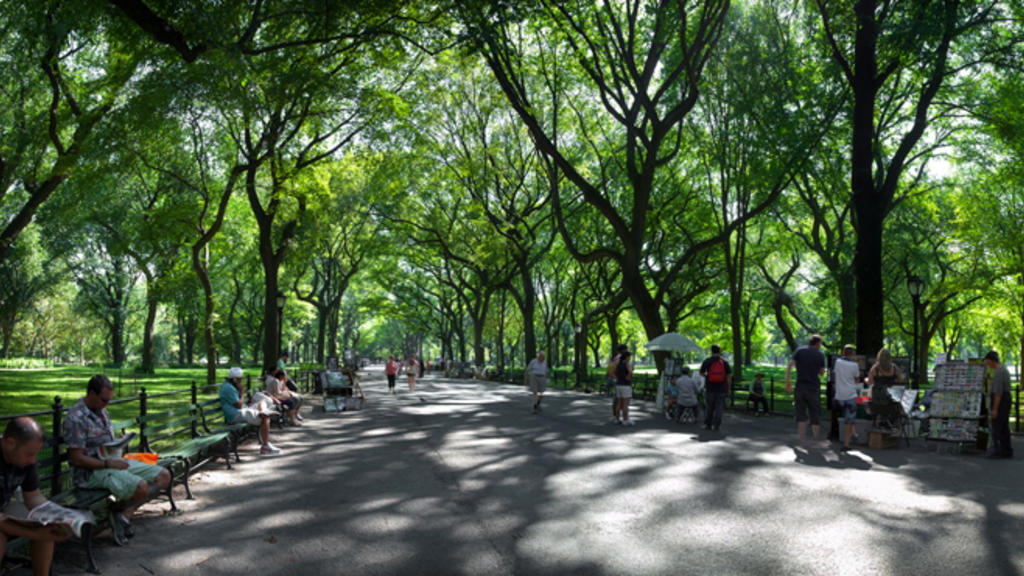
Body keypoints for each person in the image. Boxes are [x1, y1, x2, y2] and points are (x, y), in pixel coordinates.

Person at [65, 375, 172, 543]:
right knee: (141, 486)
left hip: (111, 462)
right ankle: (119, 516)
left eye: (109, 401)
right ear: (91, 393)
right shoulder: (76, 417)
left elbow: (103, 443)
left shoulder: (101, 410)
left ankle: (121, 516)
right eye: (104, 400)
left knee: (164, 475)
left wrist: (119, 443)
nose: (107, 404)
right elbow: (77, 459)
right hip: (92, 473)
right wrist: (108, 463)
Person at [0, 418, 68, 576]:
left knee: (46, 525)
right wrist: (34, 534)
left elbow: (33, 496)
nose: (33, 460)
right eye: (30, 454)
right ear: (10, 443)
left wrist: (57, 514)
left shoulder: (23, 459)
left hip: (4, 508)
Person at [219, 367, 281, 455]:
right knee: (266, 417)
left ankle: (263, 411)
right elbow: (239, 405)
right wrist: (242, 391)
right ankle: (265, 446)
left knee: (262, 402)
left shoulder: (229, 386)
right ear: (235, 379)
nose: (241, 380)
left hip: (241, 410)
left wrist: (239, 391)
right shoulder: (228, 388)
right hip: (236, 414)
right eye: (240, 378)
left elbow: (238, 403)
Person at [785, 335, 827, 442]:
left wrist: (788, 382)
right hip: (813, 388)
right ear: (817, 343)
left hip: (800, 386)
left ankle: (802, 438)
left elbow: (789, 365)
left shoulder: (799, 351)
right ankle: (815, 438)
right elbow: (822, 373)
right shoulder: (820, 355)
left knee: (800, 413)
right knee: (815, 413)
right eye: (820, 344)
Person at [832, 345, 862, 452]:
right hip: (850, 395)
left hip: (839, 395)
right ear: (852, 354)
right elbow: (857, 379)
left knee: (846, 416)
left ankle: (853, 432)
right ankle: (846, 444)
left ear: (843, 352)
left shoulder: (838, 362)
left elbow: (835, 375)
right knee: (849, 419)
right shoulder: (854, 365)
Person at [985, 351, 1013, 459]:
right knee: (1004, 426)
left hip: (1001, 402)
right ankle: (1006, 450)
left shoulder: (999, 372)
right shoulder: (1003, 369)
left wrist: (995, 409)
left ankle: (998, 450)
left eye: (988, 362)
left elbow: (998, 393)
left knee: (997, 426)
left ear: (992, 361)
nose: (988, 365)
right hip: (1005, 400)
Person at [699, 345, 731, 431]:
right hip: (721, 388)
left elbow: (701, 373)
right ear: (720, 351)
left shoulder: (707, 361)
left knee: (709, 407)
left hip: (710, 387)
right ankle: (717, 425)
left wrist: (708, 377)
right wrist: (728, 389)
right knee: (719, 408)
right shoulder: (724, 362)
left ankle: (708, 424)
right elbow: (728, 377)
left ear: (711, 351)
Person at [275, 351, 303, 421]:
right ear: (285, 356)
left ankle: (295, 412)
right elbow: (281, 370)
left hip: (285, 379)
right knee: (295, 389)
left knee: (298, 397)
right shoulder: (280, 361)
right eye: (287, 357)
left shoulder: (281, 361)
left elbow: (282, 370)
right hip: (285, 380)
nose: (286, 359)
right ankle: (292, 414)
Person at [606, 345, 628, 424]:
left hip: (615, 380)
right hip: (619, 381)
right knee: (619, 400)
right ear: (622, 351)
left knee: (617, 400)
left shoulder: (615, 358)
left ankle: (615, 416)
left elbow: (609, 370)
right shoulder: (620, 359)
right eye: (626, 350)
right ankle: (617, 417)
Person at [615, 351, 635, 426]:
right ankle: (625, 419)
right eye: (629, 357)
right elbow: (630, 372)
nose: (630, 358)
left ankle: (617, 419)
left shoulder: (619, 364)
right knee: (625, 404)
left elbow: (615, 372)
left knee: (619, 403)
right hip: (626, 385)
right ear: (627, 357)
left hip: (619, 384)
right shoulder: (627, 364)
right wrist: (628, 377)